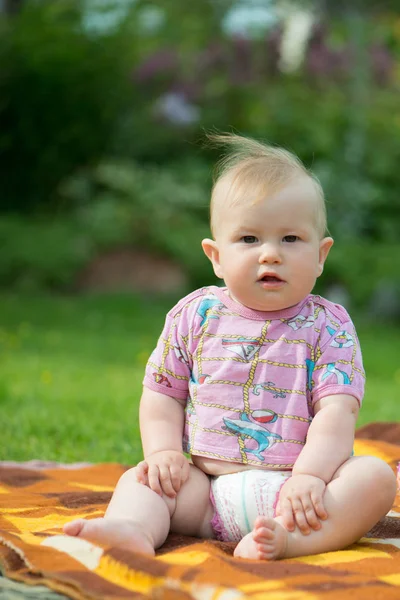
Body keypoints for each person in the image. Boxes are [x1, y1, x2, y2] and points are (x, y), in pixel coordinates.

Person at [64, 133, 396, 560]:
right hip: (206, 494)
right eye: (249, 239)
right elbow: (163, 392)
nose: (270, 255)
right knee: (143, 480)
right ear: (216, 256)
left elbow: (338, 410)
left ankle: (288, 542)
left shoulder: (327, 326)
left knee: (373, 478)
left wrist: (311, 477)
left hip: (301, 499)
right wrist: (164, 452)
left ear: (321, 255)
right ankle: (132, 530)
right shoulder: (195, 316)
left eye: (291, 239)